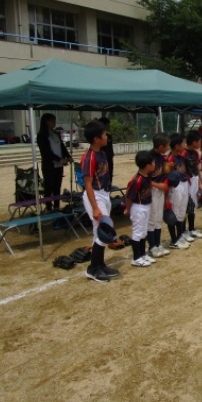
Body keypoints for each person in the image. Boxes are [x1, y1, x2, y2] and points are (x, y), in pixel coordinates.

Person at [79, 120, 120, 282]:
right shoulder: (89, 158)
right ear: (96, 139)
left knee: (101, 232)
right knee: (103, 230)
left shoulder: (102, 153)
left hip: (104, 194)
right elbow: (88, 184)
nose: (106, 137)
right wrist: (95, 207)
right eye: (104, 135)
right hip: (95, 196)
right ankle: (92, 269)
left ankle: (100, 264)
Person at [124, 151, 156, 267]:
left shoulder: (147, 176)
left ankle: (142, 254)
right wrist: (127, 209)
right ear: (147, 165)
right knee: (138, 232)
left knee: (143, 232)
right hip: (139, 208)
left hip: (146, 206)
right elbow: (129, 196)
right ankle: (136, 258)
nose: (154, 164)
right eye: (152, 163)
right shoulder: (137, 180)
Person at [36, 113, 73, 212]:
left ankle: (56, 207)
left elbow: (62, 147)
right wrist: (58, 159)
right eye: (52, 120)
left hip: (59, 165)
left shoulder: (55, 133)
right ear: (46, 121)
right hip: (49, 165)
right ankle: (49, 208)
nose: (54, 122)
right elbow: (46, 152)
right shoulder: (41, 135)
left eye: (54, 120)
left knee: (57, 187)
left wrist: (68, 156)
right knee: (49, 187)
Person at [147, 133, 171, 259]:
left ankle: (157, 244)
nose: (168, 147)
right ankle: (152, 246)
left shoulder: (163, 158)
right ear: (161, 146)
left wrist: (165, 184)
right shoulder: (148, 157)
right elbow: (143, 177)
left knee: (158, 218)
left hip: (160, 190)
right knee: (152, 219)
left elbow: (166, 174)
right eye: (167, 145)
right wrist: (158, 185)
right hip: (151, 190)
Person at [165, 133, 191, 249]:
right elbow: (167, 177)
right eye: (183, 143)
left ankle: (180, 236)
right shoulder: (170, 159)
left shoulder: (181, 157)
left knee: (181, 212)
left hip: (184, 183)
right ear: (176, 146)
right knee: (175, 212)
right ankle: (174, 240)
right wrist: (167, 196)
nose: (185, 145)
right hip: (176, 186)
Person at [184, 130, 202, 239]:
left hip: (194, 179)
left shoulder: (196, 153)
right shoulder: (184, 153)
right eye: (199, 141)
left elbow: (197, 168)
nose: (200, 143)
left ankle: (191, 229)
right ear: (194, 142)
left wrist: (201, 182)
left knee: (192, 206)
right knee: (186, 206)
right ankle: (183, 231)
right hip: (186, 181)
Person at [98, 117, 115, 184]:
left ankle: (109, 188)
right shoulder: (98, 137)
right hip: (102, 160)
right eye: (108, 124)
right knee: (103, 178)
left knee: (110, 176)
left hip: (109, 159)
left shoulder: (108, 135)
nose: (109, 126)